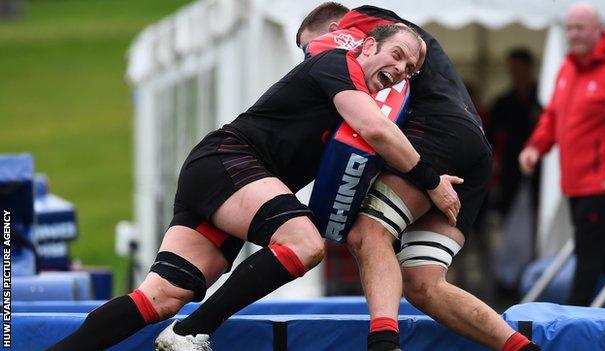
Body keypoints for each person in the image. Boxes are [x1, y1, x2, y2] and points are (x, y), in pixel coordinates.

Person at [50, 24, 460, 351]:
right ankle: (191, 332)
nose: (402, 70)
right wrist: (431, 181)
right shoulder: (338, 63)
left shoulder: (355, 97)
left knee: (163, 296)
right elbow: (376, 129)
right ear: (365, 46)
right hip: (226, 163)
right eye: (398, 55)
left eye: (410, 69)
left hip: (223, 177)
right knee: (304, 243)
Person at [297, 4, 540, 351]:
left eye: (310, 49)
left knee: (367, 232)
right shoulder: (395, 52)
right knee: (423, 283)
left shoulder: (363, 25)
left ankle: (383, 343)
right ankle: (522, 347)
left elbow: (374, 118)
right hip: (472, 149)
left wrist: (428, 180)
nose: (312, 63)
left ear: (338, 29)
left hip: (439, 132)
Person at [519, 2, 605, 307]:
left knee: (588, 256)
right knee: (603, 255)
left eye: (580, 28)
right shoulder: (567, 69)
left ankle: (573, 318)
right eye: (569, 28)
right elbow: (552, 116)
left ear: (597, 31)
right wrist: (535, 147)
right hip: (576, 183)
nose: (573, 34)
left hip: (604, 183)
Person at [488, 48, 541, 217]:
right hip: (510, 162)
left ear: (529, 68)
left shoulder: (543, 98)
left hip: (539, 161)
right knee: (508, 205)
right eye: (512, 69)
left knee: (538, 204)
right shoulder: (503, 102)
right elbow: (490, 134)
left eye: (519, 68)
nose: (515, 73)